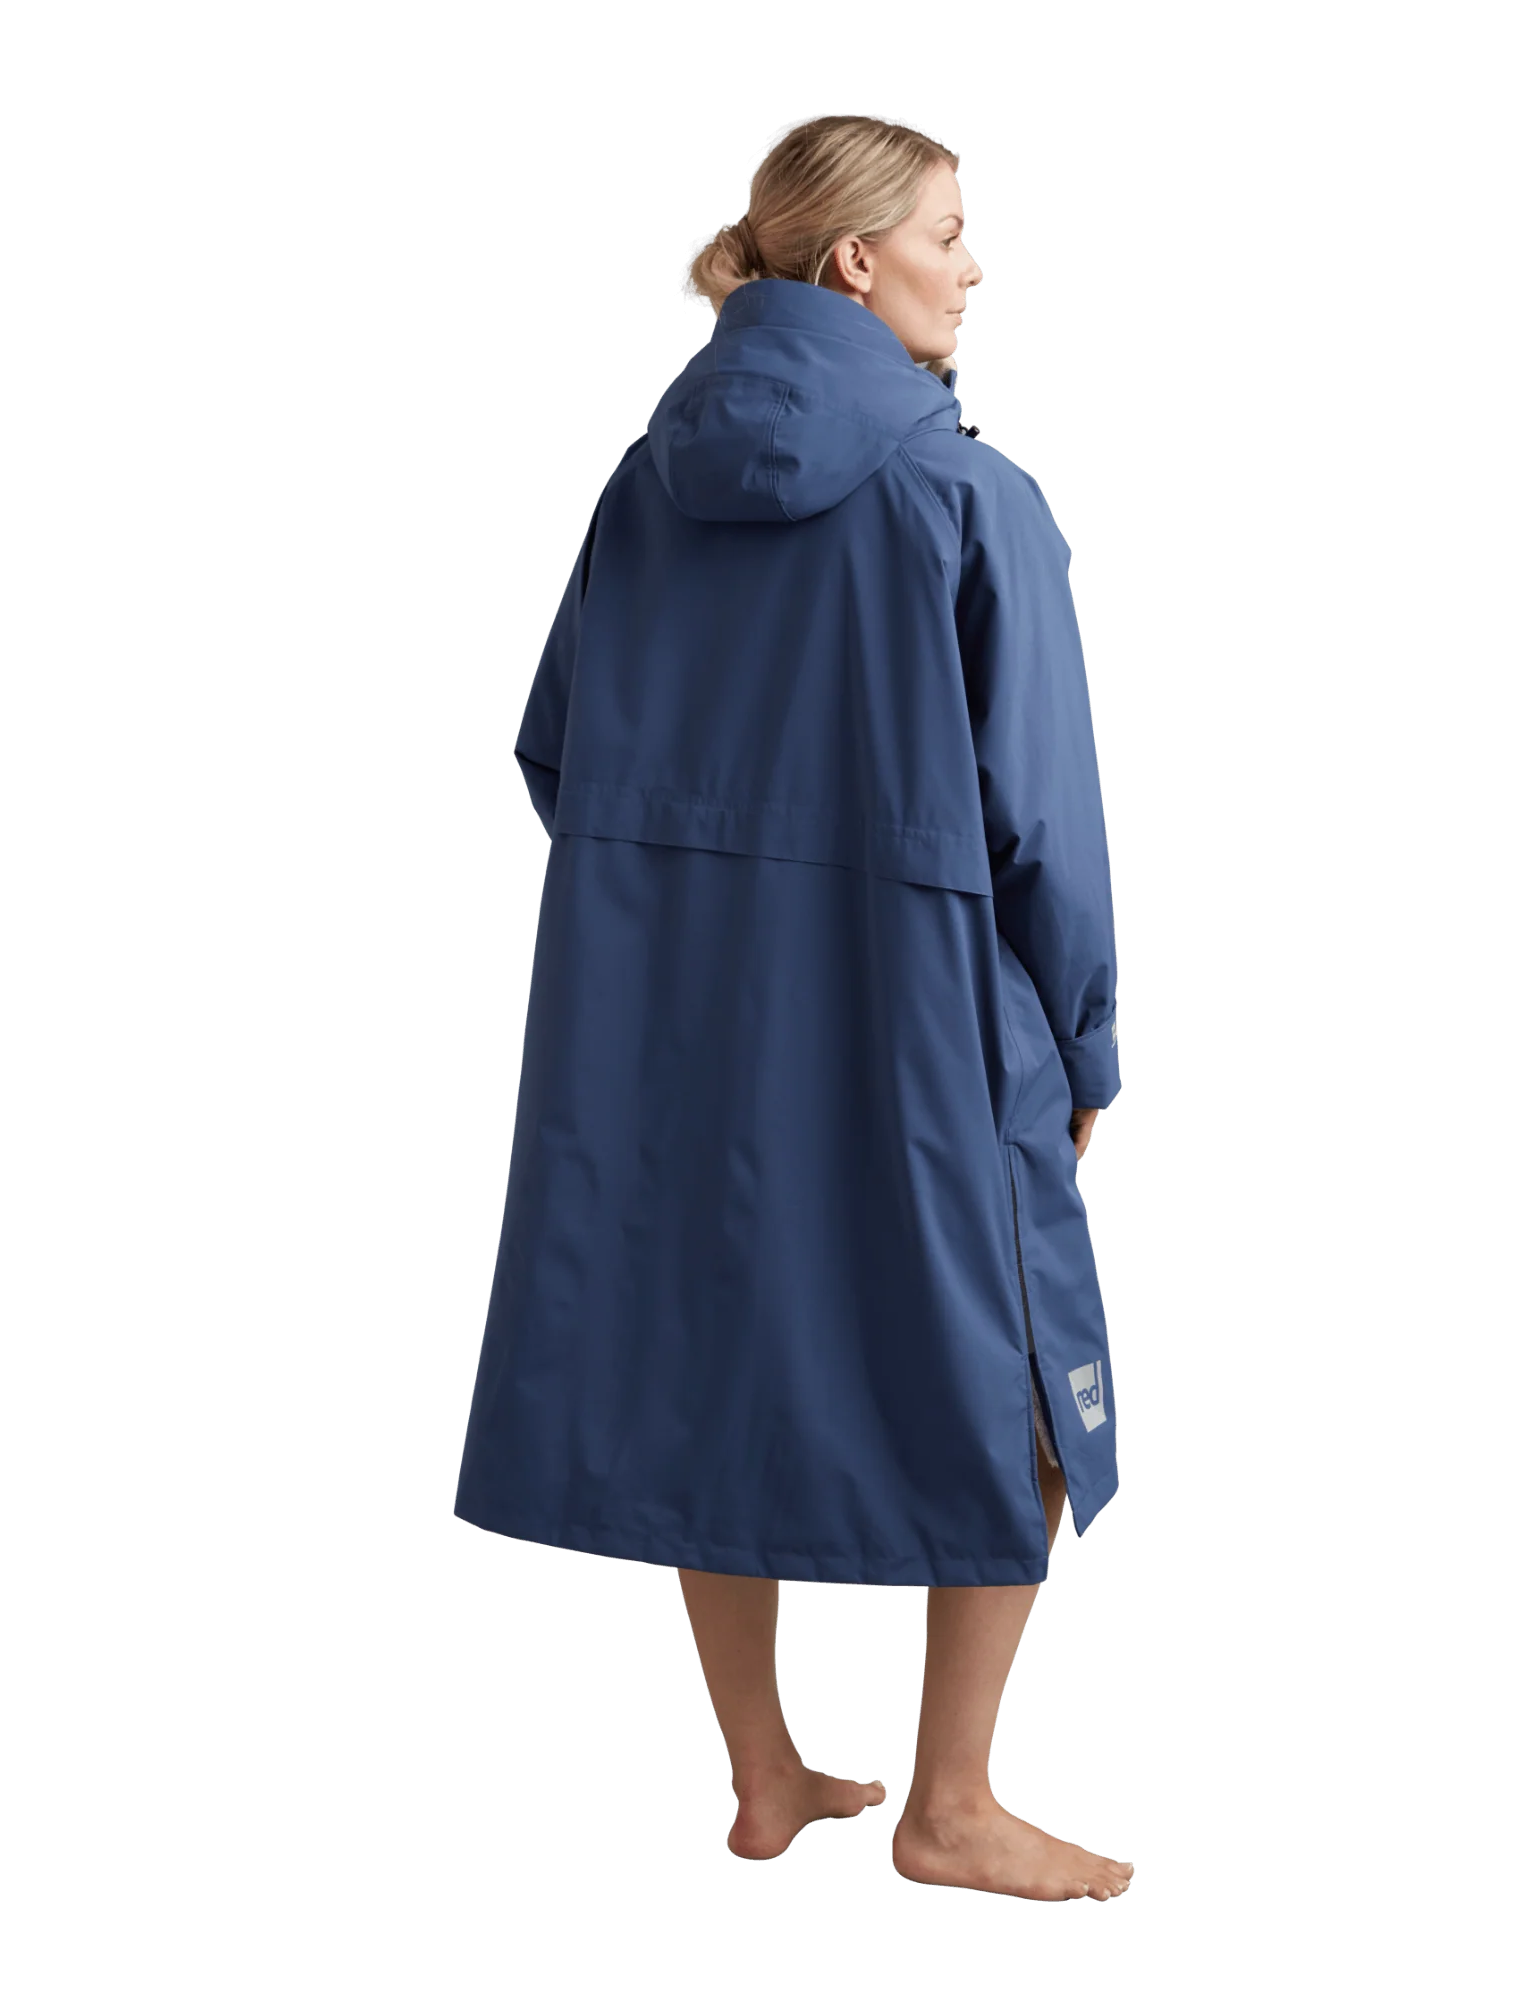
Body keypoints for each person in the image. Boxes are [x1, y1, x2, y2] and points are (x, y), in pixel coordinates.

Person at [452, 113, 1133, 1904]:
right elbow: (1046, 825)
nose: (975, 268)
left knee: (711, 1359)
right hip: (922, 1012)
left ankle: (764, 1776)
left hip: (667, 1021)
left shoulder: (643, 481)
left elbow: (555, 748)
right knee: (1019, 1374)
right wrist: (1082, 1039)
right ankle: (950, 1805)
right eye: (953, 233)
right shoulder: (968, 494)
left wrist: (697, 925)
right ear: (855, 261)